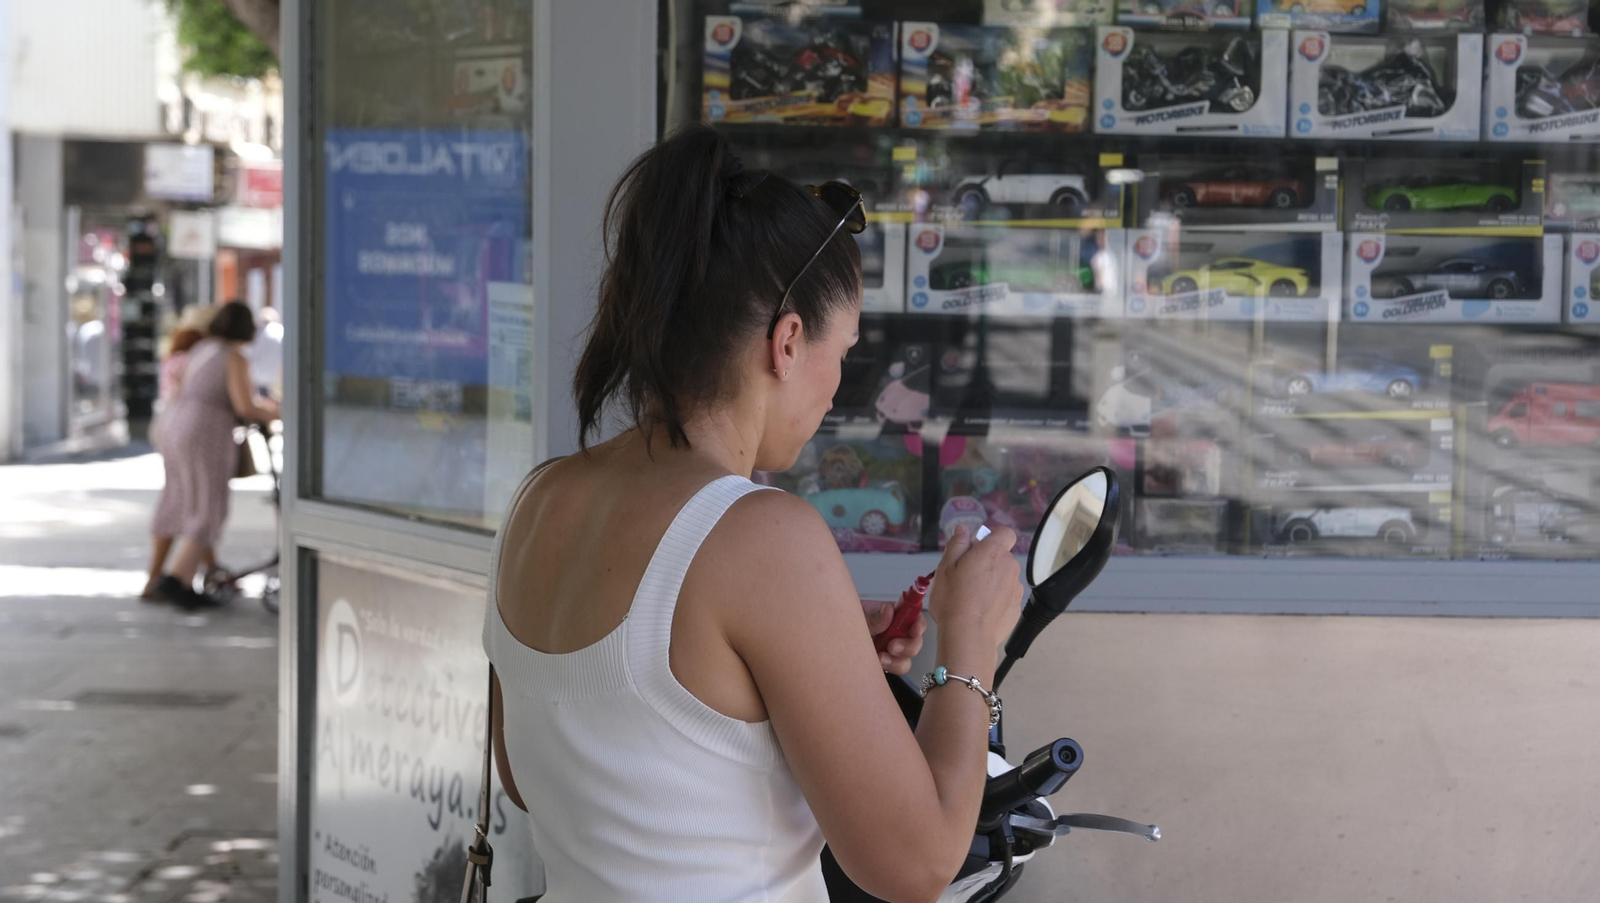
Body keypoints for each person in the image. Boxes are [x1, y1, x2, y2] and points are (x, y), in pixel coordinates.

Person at [484, 124, 1023, 901]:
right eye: (844, 350)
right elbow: (917, 863)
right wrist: (969, 645)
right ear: (788, 341)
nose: (839, 385)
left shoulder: (539, 501)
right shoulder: (760, 535)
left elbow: (535, 775)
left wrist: (796, 666)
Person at [150, 302, 280, 609]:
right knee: (208, 505)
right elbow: (244, 405)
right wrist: (278, 412)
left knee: (185, 498)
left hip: (176, 425)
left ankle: (177, 575)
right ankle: (178, 579)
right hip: (204, 431)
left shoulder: (202, 349)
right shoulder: (232, 356)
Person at [142, 307, 214, 601]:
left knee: (189, 500)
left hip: (168, 428)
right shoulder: (196, 360)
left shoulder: (175, 357)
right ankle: (162, 577)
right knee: (191, 501)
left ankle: (209, 566)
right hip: (184, 431)